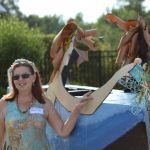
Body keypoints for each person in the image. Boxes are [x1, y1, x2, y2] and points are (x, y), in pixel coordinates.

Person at [0, 58, 93, 150]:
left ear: (34, 77)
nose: (20, 79)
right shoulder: (4, 104)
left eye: (25, 76)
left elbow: (63, 131)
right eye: (16, 77)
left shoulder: (44, 103)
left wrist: (77, 109)